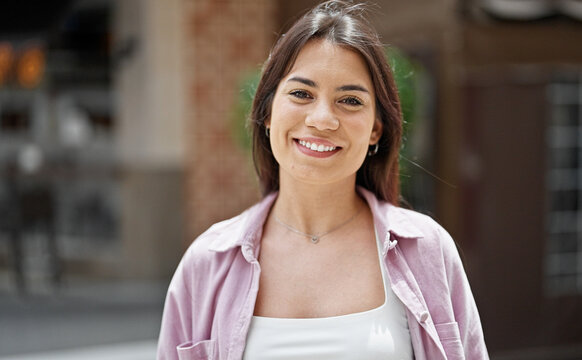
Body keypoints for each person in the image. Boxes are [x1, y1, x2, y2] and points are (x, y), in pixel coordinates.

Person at [157, 1, 489, 359]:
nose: (322, 119)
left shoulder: (427, 251)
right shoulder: (207, 263)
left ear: (376, 129)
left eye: (349, 100)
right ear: (268, 114)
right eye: (301, 94)